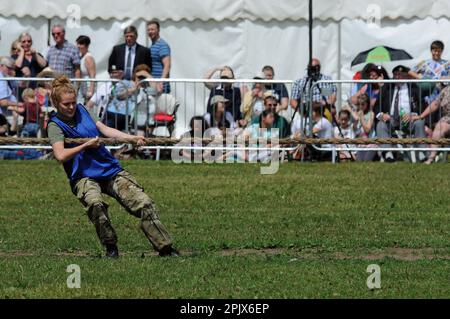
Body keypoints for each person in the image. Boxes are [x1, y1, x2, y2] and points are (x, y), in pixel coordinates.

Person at [47, 75, 179, 258]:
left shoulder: (83, 110)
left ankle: (165, 248)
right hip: (83, 176)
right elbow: (60, 155)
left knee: (144, 202)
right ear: (55, 103)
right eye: (66, 104)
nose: (71, 108)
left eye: (73, 103)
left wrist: (131, 138)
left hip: (108, 170)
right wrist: (85, 145)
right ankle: (111, 247)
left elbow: (106, 130)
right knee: (96, 204)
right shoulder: (55, 125)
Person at [375, 65, 427, 162]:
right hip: (390, 120)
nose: (398, 77)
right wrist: (382, 115)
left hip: (408, 119)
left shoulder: (414, 88)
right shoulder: (387, 88)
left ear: (406, 76)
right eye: (396, 75)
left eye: (401, 75)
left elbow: (422, 105)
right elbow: (377, 107)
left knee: (419, 123)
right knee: (380, 124)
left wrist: (414, 115)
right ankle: (387, 153)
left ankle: (421, 152)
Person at [412, 85, 450, 164]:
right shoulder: (446, 90)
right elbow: (435, 104)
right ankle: (431, 157)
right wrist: (421, 116)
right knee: (439, 128)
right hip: (448, 118)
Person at [408, 40, 450, 105]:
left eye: (439, 51)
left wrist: (445, 77)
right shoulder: (425, 63)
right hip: (426, 97)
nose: (437, 53)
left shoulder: (447, 64)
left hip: (441, 97)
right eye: (435, 51)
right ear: (431, 51)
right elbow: (410, 72)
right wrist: (420, 77)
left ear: (442, 51)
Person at [147, 20, 171, 93]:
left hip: (161, 87)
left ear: (158, 30)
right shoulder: (152, 46)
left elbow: (167, 65)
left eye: (152, 29)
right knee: (150, 104)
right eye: (148, 30)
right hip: (152, 85)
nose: (150, 32)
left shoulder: (162, 45)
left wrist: (161, 82)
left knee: (160, 104)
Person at [76, 35, 96, 104]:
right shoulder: (81, 57)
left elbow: (92, 75)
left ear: (87, 46)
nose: (78, 46)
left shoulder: (88, 58)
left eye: (81, 44)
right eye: (78, 43)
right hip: (82, 88)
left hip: (88, 87)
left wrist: (91, 91)